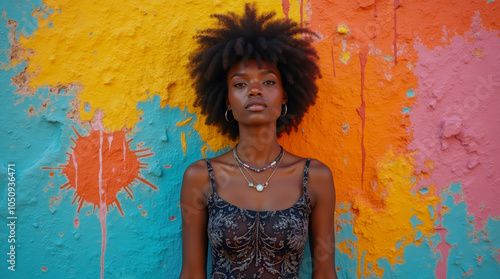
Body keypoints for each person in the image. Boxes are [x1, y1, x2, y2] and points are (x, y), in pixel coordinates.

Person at [180, 3, 337, 278]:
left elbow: (324, 272)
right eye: (240, 84)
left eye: (268, 82)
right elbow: (192, 272)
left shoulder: (315, 177)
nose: (254, 90)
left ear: (285, 95)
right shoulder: (201, 177)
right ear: (227, 99)